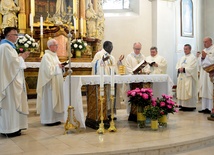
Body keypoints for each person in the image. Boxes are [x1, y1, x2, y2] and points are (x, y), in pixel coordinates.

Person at [0, 27, 30, 137]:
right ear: (9, 35)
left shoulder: (9, 47)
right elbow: (12, 64)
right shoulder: (5, 47)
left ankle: (15, 127)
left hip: (12, 80)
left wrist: (20, 57)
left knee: (14, 104)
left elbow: (12, 62)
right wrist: (22, 57)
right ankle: (9, 129)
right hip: (9, 82)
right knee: (10, 104)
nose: (17, 37)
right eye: (15, 34)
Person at [36, 39, 64, 125]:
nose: (57, 47)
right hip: (49, 83)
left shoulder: (54, 56)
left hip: (56, 81)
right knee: (49, 100)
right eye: (56, 45)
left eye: (57, 45)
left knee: (55, 99)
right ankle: (49, 119)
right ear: (50, 46)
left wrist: (62, 67)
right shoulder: (46, 56)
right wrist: (57, 67)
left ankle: (56, 118)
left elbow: (56, 66)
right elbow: (47, 70)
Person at [91, 41, 117, 120]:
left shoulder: (111, 57)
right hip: (102, 81)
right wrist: (102, 60)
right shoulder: (99, 54)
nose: (111, 48)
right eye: (110, 47)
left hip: (110, 81)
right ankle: (102, 113)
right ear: (105, 47)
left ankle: (109, 113)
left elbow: (114, 67)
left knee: (110, 96)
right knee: (105, 96)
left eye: (112, 47)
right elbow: (94, 64)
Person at [176, 44, 198, 111]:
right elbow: (177, 65)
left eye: (186, 49)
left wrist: (184, 69)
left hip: (188, 77)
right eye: (184, 49)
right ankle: (182, 105)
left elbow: (193, 68)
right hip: (182, 76)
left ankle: (190, 106)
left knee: (187, 89)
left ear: (190, 49)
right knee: (181, 90)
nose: (185, 50)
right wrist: (179, 69)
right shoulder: (182, 58)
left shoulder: (193, 58)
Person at [198, 37, 214, 114]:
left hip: (211, 73)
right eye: (203, 42)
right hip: (204, 73)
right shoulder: (204, 50)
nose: (204, 43)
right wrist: (202, 58)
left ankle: (211, 108)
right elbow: (200, 63)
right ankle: (204, 107)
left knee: (210, 89)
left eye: (206, 42)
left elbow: (212, 61)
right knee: (204, 89)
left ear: (211, 42)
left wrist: (206, 57)